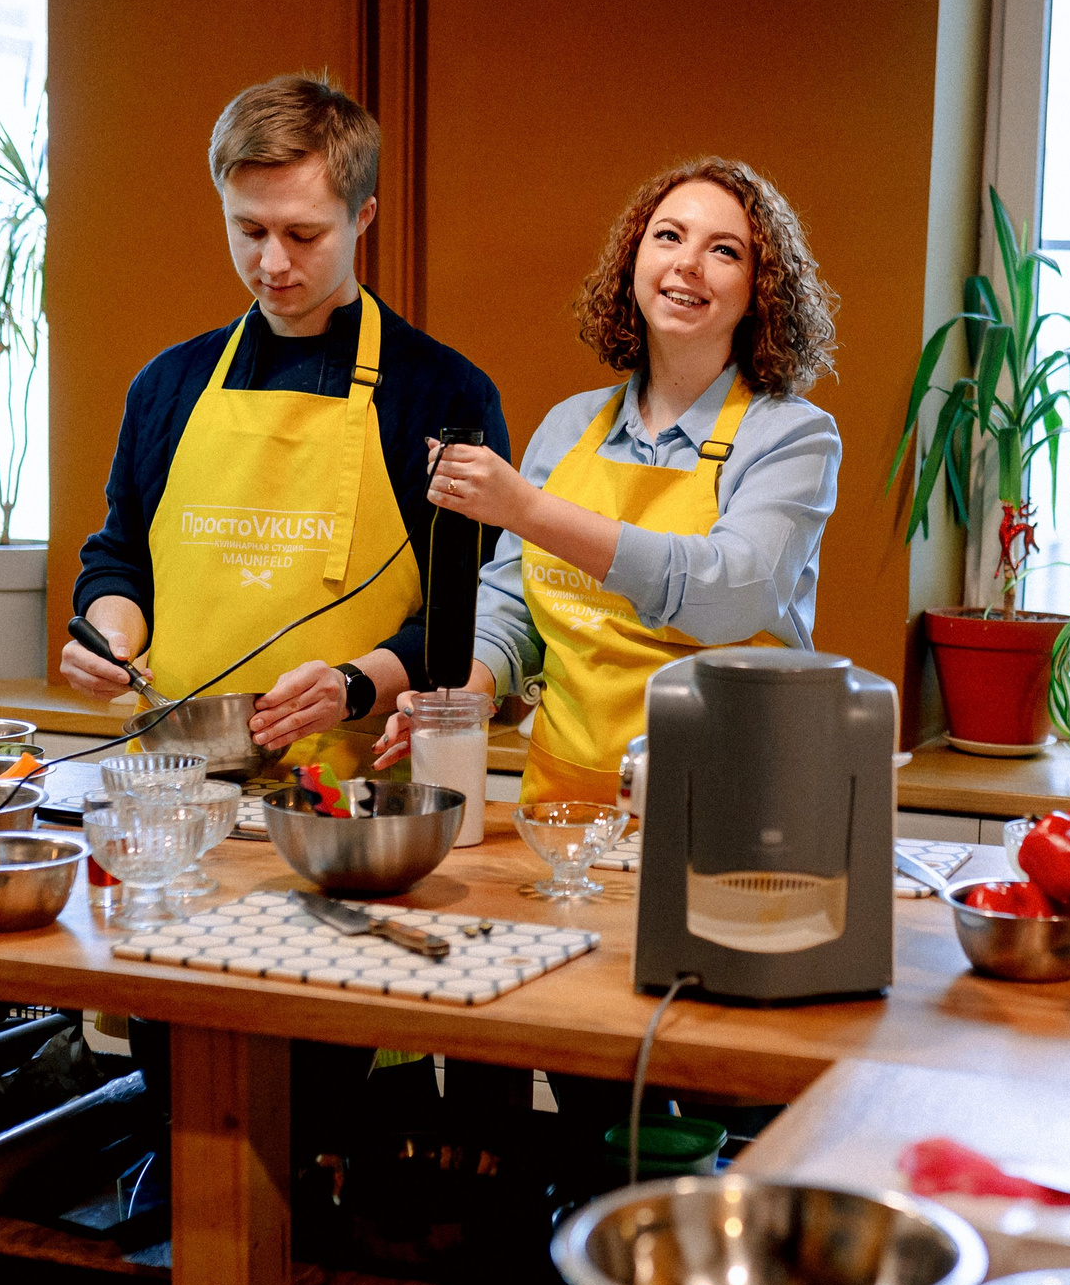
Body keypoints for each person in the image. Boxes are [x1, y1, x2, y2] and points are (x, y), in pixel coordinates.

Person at [66, 73, 508, 775]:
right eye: (249, 229)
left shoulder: (446, 395)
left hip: (358, 801)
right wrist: (108, 636)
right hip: (179, 787)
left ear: (363, 217)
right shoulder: (166, 385)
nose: (271, 263)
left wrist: (354, 684)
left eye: (303, 234)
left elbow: (469, 619)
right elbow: (121, 558)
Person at [374, 158, 841, 801]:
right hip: (563, 804)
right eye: (669, 236)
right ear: (634, 261)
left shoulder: (793, 436)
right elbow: (513, 607)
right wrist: (459, 694)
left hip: (728, 803)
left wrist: (528, 511)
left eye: (724, 251)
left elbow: (731, 591)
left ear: (761, 288)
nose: (688, 264)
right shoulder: (571, 426)